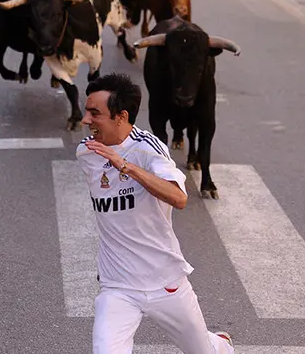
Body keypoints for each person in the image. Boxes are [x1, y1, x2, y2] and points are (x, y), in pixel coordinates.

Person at [76, 73, 234, 354]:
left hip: (165, 282)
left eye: (94, 113)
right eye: (86, 111)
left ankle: (219, 345)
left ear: (121, 116)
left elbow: (179, 198)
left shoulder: (148, 149)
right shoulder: (86, 152)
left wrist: (124, 165)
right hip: (118, 286)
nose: (85, 119)